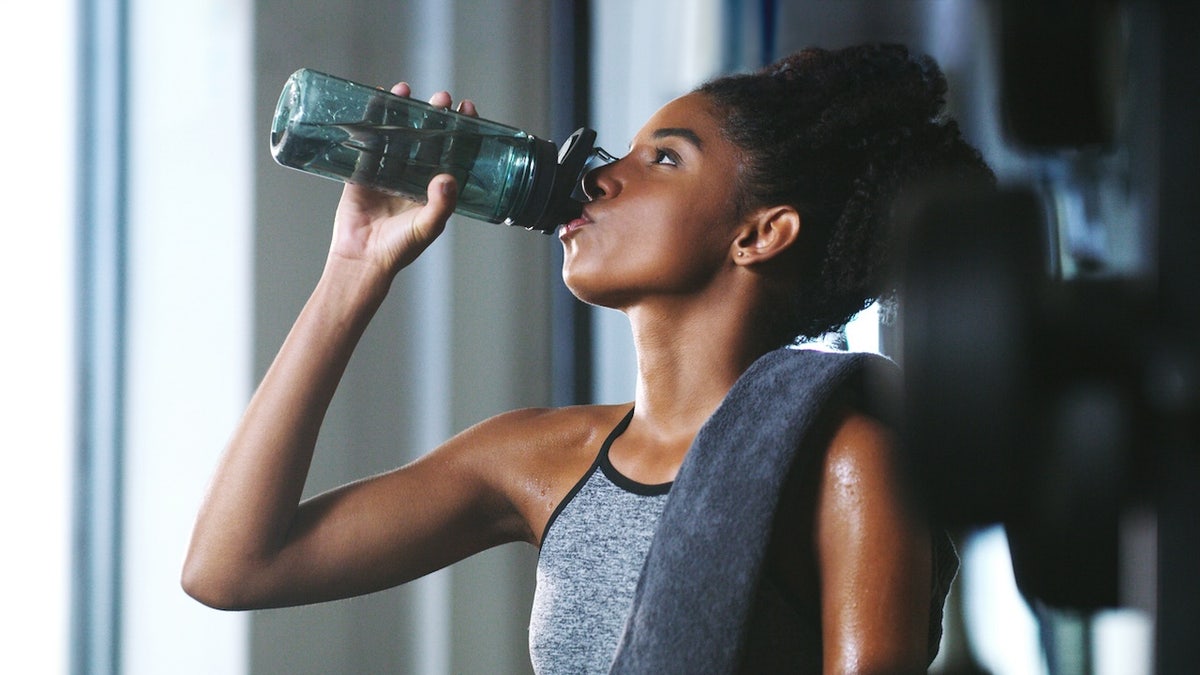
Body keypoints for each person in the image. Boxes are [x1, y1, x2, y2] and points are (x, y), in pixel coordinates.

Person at [183, 43, 992, 673]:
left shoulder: (846, 458)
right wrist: (353, 270)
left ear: (759, 233)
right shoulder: (538, 457)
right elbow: (233, 565)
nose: (602, 177)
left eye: (663, 158)